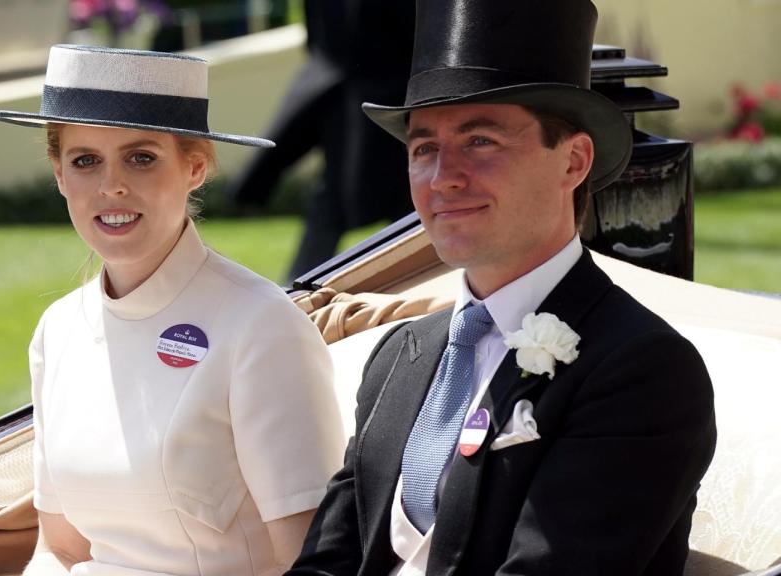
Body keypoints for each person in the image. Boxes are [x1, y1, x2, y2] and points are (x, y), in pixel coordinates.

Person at [286, 1, 717, 575]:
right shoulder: (400, 355)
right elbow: (328, 562)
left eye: (480, 141)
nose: (444, 178)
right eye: (423, 149)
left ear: (574, 161)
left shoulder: (643, 369)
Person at [0, 45, 346, 576]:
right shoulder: (58, 331)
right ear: (59, 174)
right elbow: (61, 549)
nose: (112, 185)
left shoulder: (261, 326)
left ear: (194, 167)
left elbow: (309, 562)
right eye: (85, 161)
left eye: (141, 157)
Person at [226, 0, 415, 280]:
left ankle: (420, 280)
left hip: (389, 107)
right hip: (355, 107)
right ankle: (297, 293)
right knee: (341, 201)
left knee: (406, 201)